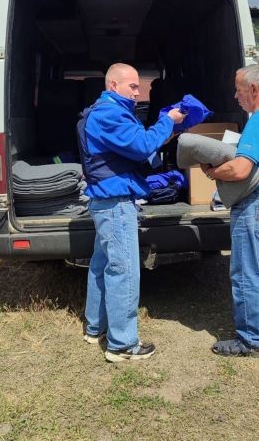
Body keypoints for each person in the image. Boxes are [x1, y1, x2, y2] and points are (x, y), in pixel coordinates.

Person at [79, 63, 186, 362]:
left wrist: (165, 131)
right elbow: (140, 147)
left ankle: (95, 327)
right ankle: (122, 345)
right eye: (133, 86)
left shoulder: (107, 111)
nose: (139, 92)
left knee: (102, 265)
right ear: (114, 85)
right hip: (115, 204)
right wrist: (167, 120)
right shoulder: (110, 114)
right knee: (123, 270)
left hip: (106, 202)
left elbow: (137, 146)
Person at [201, 65, 259, 357]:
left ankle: (250, 340)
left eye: (238, 89)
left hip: (255, 204)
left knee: (244, 272)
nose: (235, 95)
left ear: (253, 89)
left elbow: (241, 170)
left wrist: (213, 171)